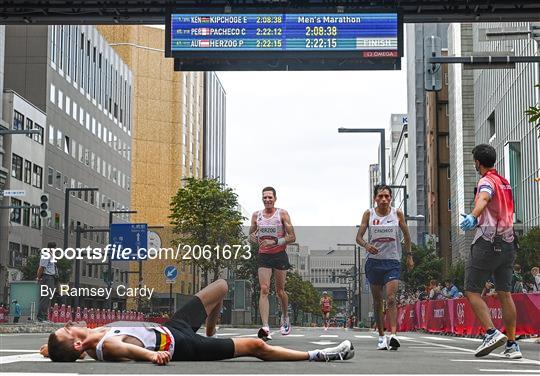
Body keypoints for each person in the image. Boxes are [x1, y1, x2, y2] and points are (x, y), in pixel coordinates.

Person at [45, 279, 354, 364]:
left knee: (220, 286)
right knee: (256, 346)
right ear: (76, 341)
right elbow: (125, 347)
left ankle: (213, 332)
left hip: (173, 325)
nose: (72, 323)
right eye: (68, 328)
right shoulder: (104, 345)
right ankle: (321, 355)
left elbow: (62, 349)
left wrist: (49, 351)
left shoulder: (85, 343)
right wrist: (153, 355)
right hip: (183, 344)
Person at [459, 144, 522, 359]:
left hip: (488, 243)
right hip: (509, 242)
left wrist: (473, 216)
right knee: (505, 294)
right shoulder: (504, 182)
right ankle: (512, 345)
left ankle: (490, 332)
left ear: (477, 162)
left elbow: (484, 198)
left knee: (471, 290)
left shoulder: (486, 181)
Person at [356, 184, 414, 351]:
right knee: (377, 301)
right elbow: (358, 237)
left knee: (390, 298)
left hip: (392, 261)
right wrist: (367, 246)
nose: (383, 199)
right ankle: (381, 336)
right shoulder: (369, 214)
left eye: (386, 196)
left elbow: (407, 235)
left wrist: (409, 256)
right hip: (374, 262)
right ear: (375, 198)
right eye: (380, 196)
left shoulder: (397, 214)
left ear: (390, 198)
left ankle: (393, 335)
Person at [249, 187, 296, 341]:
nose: (267, 200)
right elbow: (250, 235)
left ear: (275, 198)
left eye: (270, 197)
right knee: (264, 289)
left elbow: (292, 237)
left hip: (279, 254)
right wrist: (254, 239)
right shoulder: (256, 215)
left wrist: (275, 241)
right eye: (265, 197)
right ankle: (265, 326)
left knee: (280, 291)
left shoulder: (282, 214)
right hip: (264, 256)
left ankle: (285, 317)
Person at [37, 242, 59, 322]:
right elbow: (41, 267)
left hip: (51, 277)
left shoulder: (50, 255)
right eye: (55, 248)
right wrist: (38, 277)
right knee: (45, 297)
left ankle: (45, 317)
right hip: (47, 277)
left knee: (48, 297)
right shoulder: (46, 255)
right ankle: (41, 317)